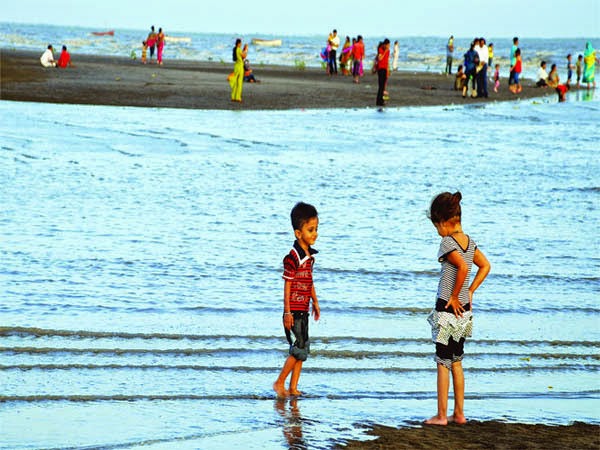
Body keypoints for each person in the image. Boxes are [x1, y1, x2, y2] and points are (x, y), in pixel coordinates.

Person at [425, 191, 491, 426]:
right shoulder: (469, 242)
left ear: (444, 222)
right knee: (456, 361)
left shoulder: (447, 242)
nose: (437, 232)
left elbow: (462, 267)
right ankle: (459, 413)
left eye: (436, 226)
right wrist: (469, 292)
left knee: (442, 362)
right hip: (464, 311)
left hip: (447, 310)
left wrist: (453, 296)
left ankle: (442, 415)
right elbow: (485, 266)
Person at [273, 202, 321, 398]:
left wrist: (315, 302)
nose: (315, 234)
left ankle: (293, 387)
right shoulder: (292, 257)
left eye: (316, 229)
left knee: (303, 349)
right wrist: (287, 312)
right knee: (297, 349)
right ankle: (279, 382)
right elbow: (287, 284)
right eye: (310, 230)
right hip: (293, 311)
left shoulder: (309, 257)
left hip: (304, 309)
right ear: (298, 233)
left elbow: (309, 281)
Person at [376, 39, 390, 107]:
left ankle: (382, 100)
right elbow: (380, 58)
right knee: (381, 86)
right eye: (387, 45)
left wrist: (388, 70)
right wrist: (385, 52)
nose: (388, 47)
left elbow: (387, 61)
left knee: (384, 86)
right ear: (384, 44)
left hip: (385, 68)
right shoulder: (380, 49)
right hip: (380, 68)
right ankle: (379, 101)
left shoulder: (388, 51)